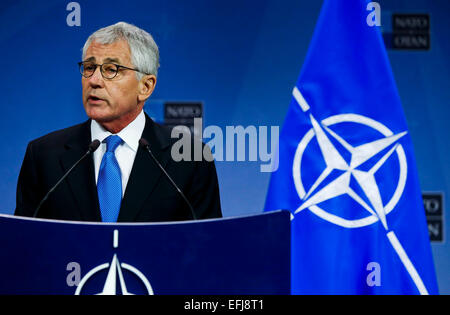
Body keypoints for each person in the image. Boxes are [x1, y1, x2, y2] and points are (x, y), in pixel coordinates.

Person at [14, 22, 222, 222]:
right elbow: (25, 245)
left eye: (111, 69)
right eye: (89, 68)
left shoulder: (191, 158)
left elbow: (205, 248)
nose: (94, 80)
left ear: (145, 87)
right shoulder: (43, 155)